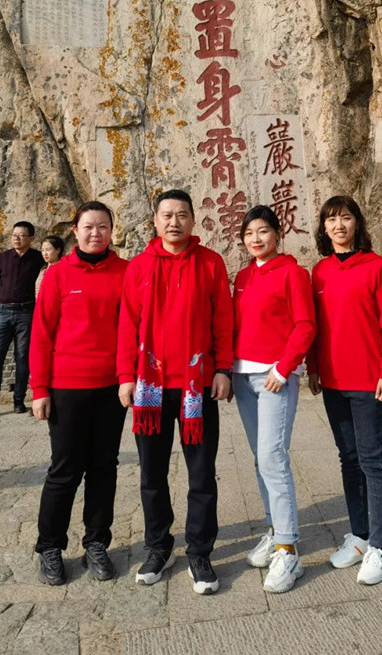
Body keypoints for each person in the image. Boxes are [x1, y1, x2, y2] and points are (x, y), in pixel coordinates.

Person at [118, 189, 233, 596]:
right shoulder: (139, 267)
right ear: (155, 220)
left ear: (192, 220)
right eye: (166, 215)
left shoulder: (210, 263)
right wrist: (125, 376)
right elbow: (127, 324)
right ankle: (159, 546)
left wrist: (223, 369)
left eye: (181, 214)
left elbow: (223, 319)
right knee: (152, 473)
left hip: (195, 386)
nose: (174, 222)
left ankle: (200, 552)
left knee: (201, 474)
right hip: (150, 387)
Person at [30, 201, 128, 586]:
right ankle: (50, 546)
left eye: (103, 226)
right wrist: (40, 389)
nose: (95, 233)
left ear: (111, 230)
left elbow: (132, 328)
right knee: (65, 469)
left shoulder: (125, 272)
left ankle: (97, 542)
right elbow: (41, 334)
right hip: (67, 387)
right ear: (75, 230)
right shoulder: (58, 274)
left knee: (104, 467)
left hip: (111, 388)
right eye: (88, 226)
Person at [306, 195, 382, 586]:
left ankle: (381, 547)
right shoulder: (319, 272)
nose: (338, 225)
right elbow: (313, 326)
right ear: (324, 228)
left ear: (356, 223)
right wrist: (314, 369)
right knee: (348, 459)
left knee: (373, 460)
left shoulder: (375, 267)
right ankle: (360, 537)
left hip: (368, 381)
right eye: (331, 220)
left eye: (345, 218)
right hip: (333, 382)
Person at [232, 205, 315, 593]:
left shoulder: (293, 274)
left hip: (274, 378)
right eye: (249, 233)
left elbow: (305, 325)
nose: (256, 239)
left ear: (277, 234)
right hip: (243, 377)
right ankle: (274, 529)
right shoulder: (243, 276)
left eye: (263, 231)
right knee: (259, 458)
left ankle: (288, 549)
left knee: (272, 457)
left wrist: (283, 369)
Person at [0, 221, 45, 420]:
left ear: (31, 238)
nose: (16, 238)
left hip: (27, 312)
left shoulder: (38, 259)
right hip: (2, 313)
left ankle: (18, 400)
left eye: (21, 235)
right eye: (14, 235)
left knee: (23, 358)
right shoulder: (2, 258)